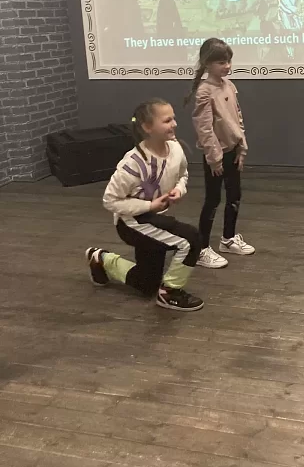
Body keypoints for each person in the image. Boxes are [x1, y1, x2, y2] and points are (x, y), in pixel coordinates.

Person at [85, 98, 204, 312]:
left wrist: (179, 190)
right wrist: (149, 206)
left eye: (174, 118)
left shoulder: (175, 148)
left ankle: (101, 259)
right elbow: (110, 200)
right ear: (147, 127)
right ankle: (170, 293)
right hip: (132, 224)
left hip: (155, 219)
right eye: (167, 120)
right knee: (190, 240)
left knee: (146, 283)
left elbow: (183, 175)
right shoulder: (132, 164)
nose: (175, 124)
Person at [184, 38, 255, 269]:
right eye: (221, 62)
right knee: (213, 200)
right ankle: (202, 249)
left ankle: (228, 239)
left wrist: (242, 147)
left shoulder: (229, 86)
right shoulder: (205, 91)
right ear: (207, 64)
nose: (227, 66)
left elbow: (237, 118)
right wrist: (214, 158)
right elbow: (204, 128)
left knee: (234, 196)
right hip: (216, 156)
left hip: (233, 151)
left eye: (229, 61)